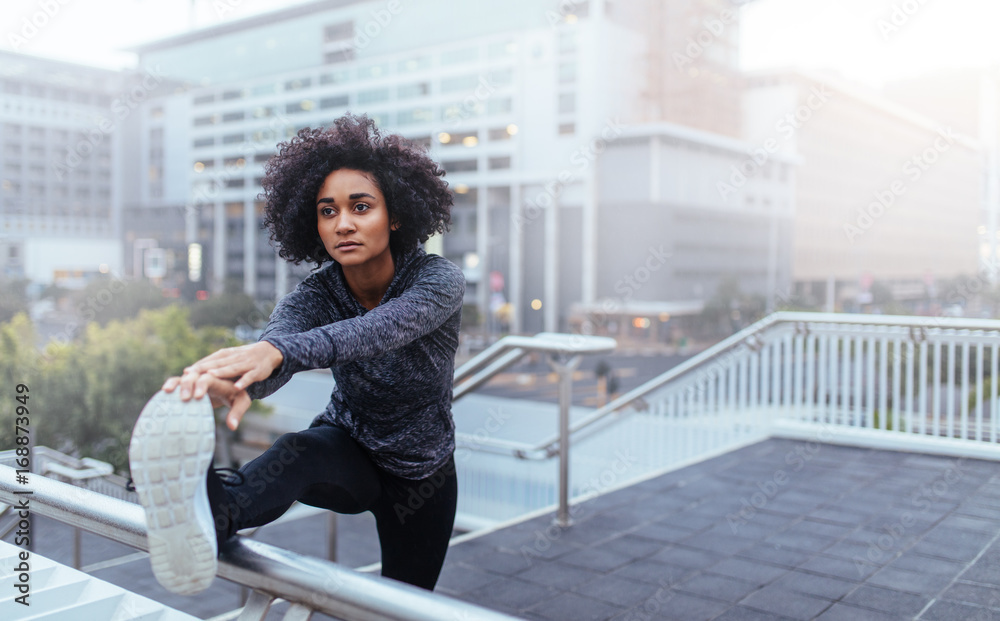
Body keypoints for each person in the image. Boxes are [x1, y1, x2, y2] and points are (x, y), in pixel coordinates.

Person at [127, 113, 463, 596]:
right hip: (350, 450)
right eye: (328, 211)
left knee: (403, 606)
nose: (342, 224)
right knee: (298, 451)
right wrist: (232, 384)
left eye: (360, 207)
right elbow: (275, 355)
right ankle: (206, 510)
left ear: (395, 215)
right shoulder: (312, 295)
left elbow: (376, 331)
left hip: (423, 477)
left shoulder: (436, 281)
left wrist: (277, 352)